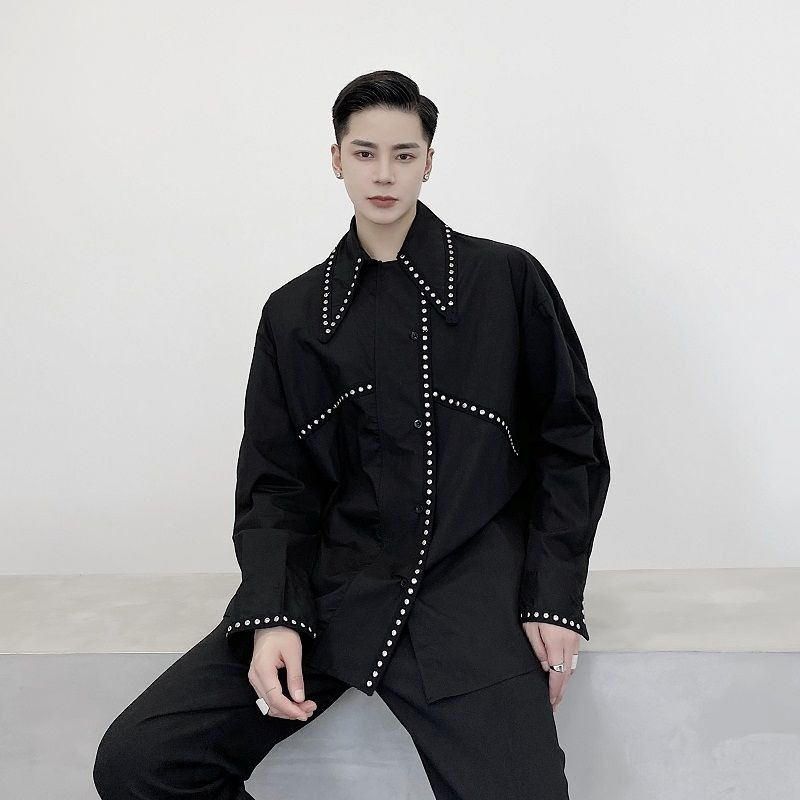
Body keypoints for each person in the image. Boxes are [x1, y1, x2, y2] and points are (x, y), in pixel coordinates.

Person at [93, 69, 611, 800]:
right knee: (142, 760)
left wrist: (552, 596)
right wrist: (275, 614)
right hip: (335, 595)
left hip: (468, 599)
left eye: (404, 154)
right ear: (336, 159)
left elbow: (570, 447)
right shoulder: (294, 314)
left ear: (429, 161)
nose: (384, 174)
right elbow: (276, 486)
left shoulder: (506, 280)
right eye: (365, 153)